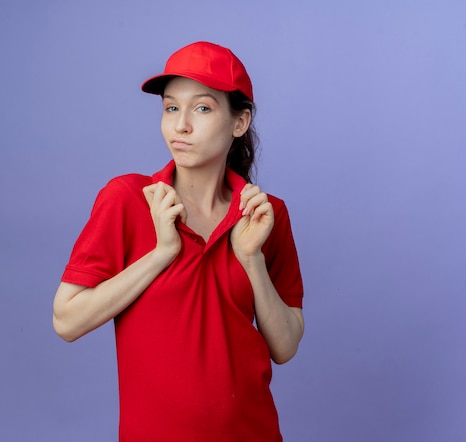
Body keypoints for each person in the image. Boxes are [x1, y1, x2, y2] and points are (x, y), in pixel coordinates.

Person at [53, 41, 304, 442]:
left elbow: (286, 345)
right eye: (171, 107)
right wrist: (162, 253)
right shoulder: (129, 199)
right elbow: (66, 321)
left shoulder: (264, 213)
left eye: (202, 108)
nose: (180, 125)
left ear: (239, 122)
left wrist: (250, 257)